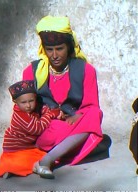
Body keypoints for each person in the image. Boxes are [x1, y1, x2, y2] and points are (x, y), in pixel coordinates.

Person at [22, 16, 111, 179]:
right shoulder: (32, 71)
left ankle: (47, 159)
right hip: (49, 128)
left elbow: (91, 106)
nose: (54, 55)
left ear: (69, 47)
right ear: (44, 49)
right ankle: (71, 150)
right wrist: (52, 115)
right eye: (49, 49)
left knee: (95, 115)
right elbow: (26, 109)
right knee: (97, 139)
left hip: (76, 124)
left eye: (59, 48)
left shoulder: (86, 70)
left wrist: (78, 115)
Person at [0, 80, 61, 179]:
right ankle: (10, 168)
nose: (28, 105)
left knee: (47, 157)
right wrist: (50, 115)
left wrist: (50, 111)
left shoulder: (31, 109)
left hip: (27, 147)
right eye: (24, 102)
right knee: (35, 160)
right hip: (16, 148)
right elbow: (37, 129)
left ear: (35, 99)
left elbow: (42, 109)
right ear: (16, 102)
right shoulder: (21, 116)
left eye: (31, 101)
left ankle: (13, 168)